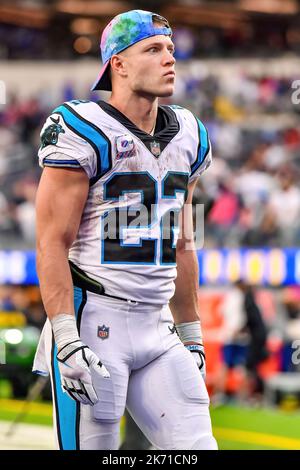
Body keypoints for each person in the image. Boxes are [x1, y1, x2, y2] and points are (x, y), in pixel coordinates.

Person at [32, 9, 217, 450]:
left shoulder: (191, 132)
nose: (169, 58)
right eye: (153, 49)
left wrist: (191, 335)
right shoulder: (82, 126)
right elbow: (51, 244)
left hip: (159, 328)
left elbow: (185, 240)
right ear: (119, 63)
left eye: (171, 49)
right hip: (95, 321)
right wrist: (65, 337)